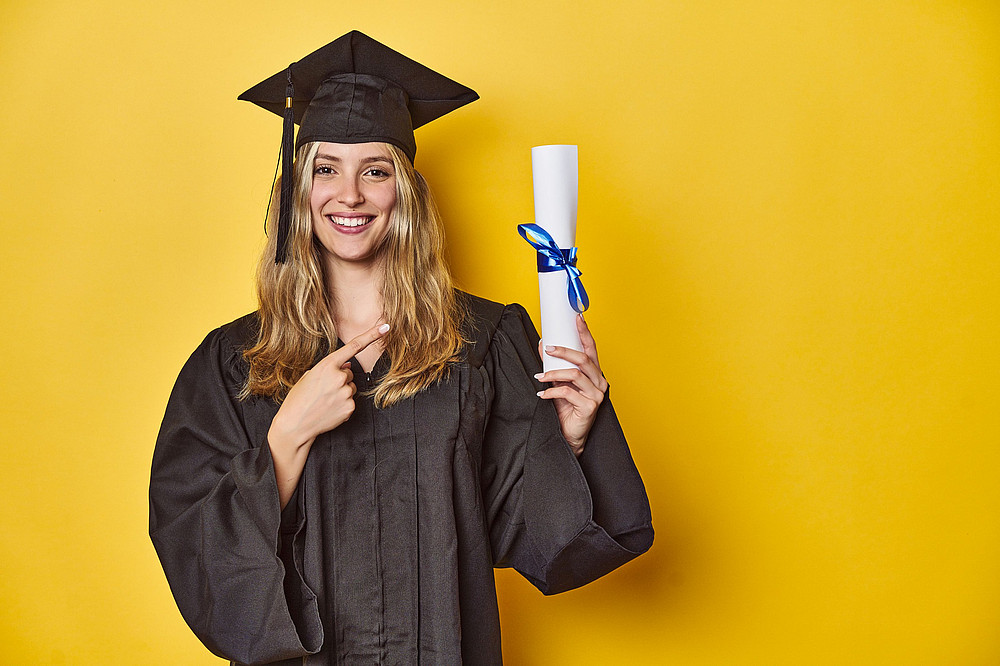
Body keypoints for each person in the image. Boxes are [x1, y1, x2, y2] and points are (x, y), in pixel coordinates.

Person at [149, 30, 653, 666]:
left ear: (404, 193)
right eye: (325, 169)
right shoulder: (233, 363)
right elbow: (189, 540)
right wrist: (287, 439)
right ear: (297, 192)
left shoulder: (483, 342)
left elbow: (507, 529)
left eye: (375, 172)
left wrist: (570, 438)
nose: (350, 195)